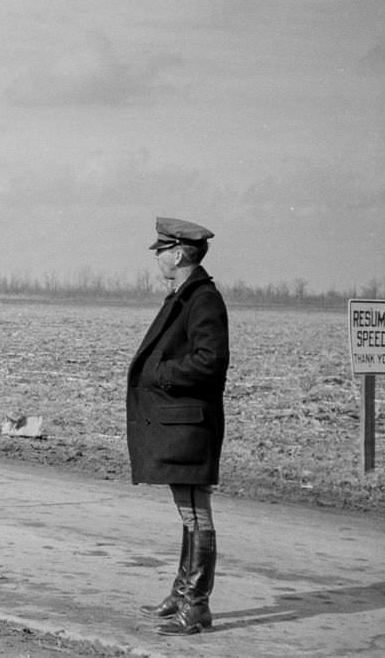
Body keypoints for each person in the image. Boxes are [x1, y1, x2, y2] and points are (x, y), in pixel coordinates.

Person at [127, 216, 229, 637]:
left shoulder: (202, 299)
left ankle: (197, 604)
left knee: (196, 514)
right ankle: (183, 591)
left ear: (181, 253)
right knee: (189, 513)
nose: (158, 258)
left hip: (189, 426)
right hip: (180, 424)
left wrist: (162, 372)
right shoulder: (184, 296)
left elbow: (211, 361)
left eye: (163, 250)